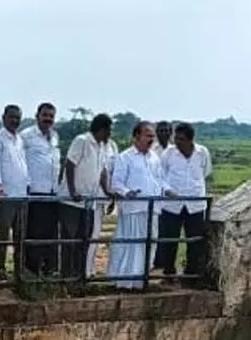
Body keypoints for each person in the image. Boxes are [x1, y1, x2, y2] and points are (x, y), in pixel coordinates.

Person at [107, 121, 174, 290]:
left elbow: (160, 180)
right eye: (147, 135)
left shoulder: (154, 158)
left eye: (152, 136)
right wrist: (127, 192)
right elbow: (116, 183)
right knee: (131, 245)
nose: (151, 139)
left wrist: (168, 190)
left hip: (153, 208)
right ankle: (124, 282)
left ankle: (141, 280)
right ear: (137, 136)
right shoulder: (125, 157)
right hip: (133, 209)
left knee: (148, 244)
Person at [59, 113, 117, 279]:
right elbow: (70, 164)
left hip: (88, 202)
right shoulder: (82, 141)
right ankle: (66, 276)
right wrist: (72, 190)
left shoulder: (101, 147)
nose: (109, 134)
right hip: (72, 202)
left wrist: (107, 190)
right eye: (108, 130)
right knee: (69, 241)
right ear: (101, 129)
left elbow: (103, 171)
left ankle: (79, 275)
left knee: (84, 240)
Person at [157, 122, 213, 285]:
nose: (177, 142)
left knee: (194, 240)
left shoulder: (202, 153)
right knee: (170, 240)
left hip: (195, 204)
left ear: (190, 140)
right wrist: (167, 189)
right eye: (176, 138)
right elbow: (159, 175)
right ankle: (168, 273)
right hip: (172, 204)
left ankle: (191, 274)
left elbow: (206, 172)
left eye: (181, 139)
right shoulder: (168, 153)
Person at [0, 104, 29, 277]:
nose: (15, 121)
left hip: (21, 193)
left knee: (21, 234)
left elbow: (23, 164)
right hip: (6, 193)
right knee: (2, 232)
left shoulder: (19, 139)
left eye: (18, 117)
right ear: (3, 118)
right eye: (11, 117)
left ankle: (19, 269)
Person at [20, 102, 60, 275]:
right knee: (34, 234)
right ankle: (31, 270)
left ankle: (47, 269)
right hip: (34, 192)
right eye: (45, 115)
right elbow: (20, 162)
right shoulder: (26, 136)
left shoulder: (55, 136)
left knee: (50, 235)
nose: (48, 119)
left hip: (53, 193)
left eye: (51, 116)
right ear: (37, 116)